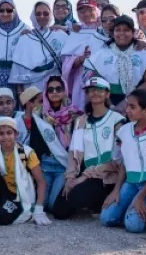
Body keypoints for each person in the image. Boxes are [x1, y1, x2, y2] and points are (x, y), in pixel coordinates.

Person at [52, 77, 124, 220]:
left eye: (99, 90)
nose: (95, 93)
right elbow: (73, 152)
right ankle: (91, 200)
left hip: (106, 176)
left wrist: (85, 177)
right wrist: (71, 177)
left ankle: (97, 201)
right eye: (91, 90)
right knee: (58, 211)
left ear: (107, 94)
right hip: (84, 173)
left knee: (77, 197)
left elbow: (117, 160)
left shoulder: (117, 120)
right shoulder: (81, 120)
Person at [101, 89, 146, 232]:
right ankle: (134, 213)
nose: (127, 110)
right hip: (131, 183)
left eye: (132, 107)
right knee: (106, 218)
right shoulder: (124, 131)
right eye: (127, 106)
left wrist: (140, 197)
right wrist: (116, 190)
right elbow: (125, 164)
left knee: (133, 226)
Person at [83, 13, 146, 111]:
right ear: (112, 33)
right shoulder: (101, 54)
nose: (122, 33)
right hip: (108, 103)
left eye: (126, 30)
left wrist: (127, 101)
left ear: (133, 32)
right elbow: (97, 83)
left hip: (138, 103)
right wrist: (111, 106)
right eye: (118, 30)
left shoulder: (143, 53)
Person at [16, 86, 71, 211]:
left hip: (54, 165)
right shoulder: (17, 122)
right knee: (42, 204)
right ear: (29, 103)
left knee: (51, 205)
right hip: (35, 166)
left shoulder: (48, 118)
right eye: (40, 101)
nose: (44, 103)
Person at [59, 0, 105, 111]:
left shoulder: (105, 30)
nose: (86, 14)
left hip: (104, 78)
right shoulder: (76, 32)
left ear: (97, 10)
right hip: (80, 81)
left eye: (90, 10)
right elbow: (66, 61)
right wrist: (80, 59)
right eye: (82, 11)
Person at [10, 1, 67, 94]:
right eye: (38, 13)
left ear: (51, 15)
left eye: (45, 13)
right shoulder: (25, 39)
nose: (42, 16)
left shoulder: (60, 36)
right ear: (33, 15)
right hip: (32, 90)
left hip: (55, 89)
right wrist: (22, 96)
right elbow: (17, 71)